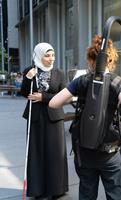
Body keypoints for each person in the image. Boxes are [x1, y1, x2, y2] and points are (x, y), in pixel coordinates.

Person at [49, 35, 121, 200]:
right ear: (111, 60)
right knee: (115, 195)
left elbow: (53, 103)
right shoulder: (118, 82)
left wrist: (76, 96)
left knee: (87, 194)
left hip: (84, 151)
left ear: (90, 60)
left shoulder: (81, 81)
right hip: (110, 153)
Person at [20, 42, 68, 198]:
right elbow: (24, 93)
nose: (51, 58)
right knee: (36, 154)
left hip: (54, 118)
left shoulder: (59, 73)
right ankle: (37, 190)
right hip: (35, 118)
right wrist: (28, 79)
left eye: (52, 55)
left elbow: (64, 96)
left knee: (55, 154)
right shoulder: (30, 70)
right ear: (39, 55)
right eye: (47, 55)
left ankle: (56, 190)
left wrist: (44, 97)